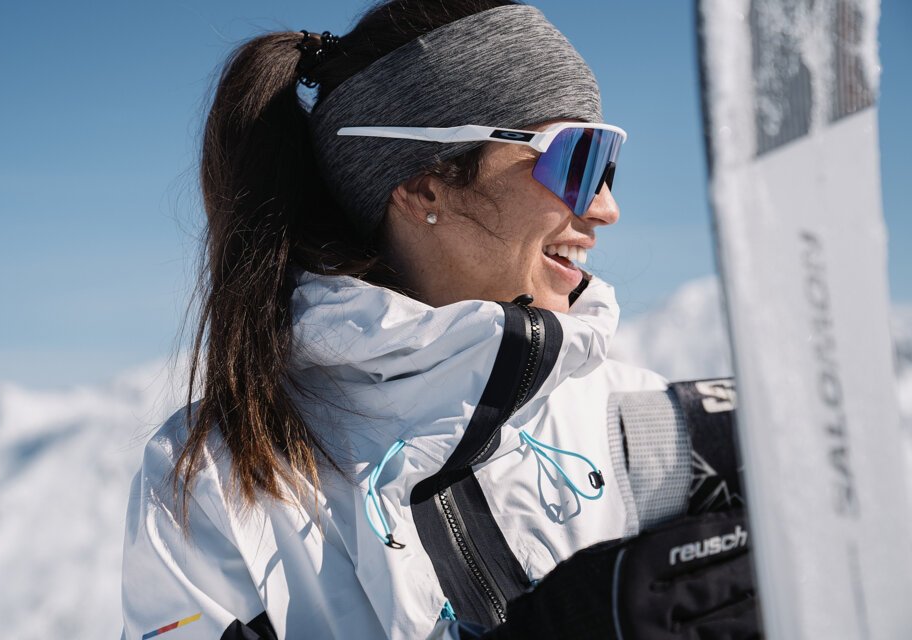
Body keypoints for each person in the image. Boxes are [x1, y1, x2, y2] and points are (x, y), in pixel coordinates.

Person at [120, 2, 757, 639]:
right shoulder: (220, 479)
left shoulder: (641, 420)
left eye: (607, 164)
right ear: (425, 186)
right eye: (578, 160)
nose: (604, 207)